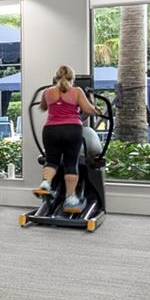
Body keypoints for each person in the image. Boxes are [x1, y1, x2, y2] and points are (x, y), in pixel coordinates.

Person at [32, 65, 98, 213]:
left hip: (50, 130)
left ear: (56, 77)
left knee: (52, 161)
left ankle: (45, 184)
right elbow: (88, 110)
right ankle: (70, 199)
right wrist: (96, 109)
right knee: (70, 164)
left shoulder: (47, 92)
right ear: (72, 79)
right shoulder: (77, 91)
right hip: (72, 130)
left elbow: (43, 107)